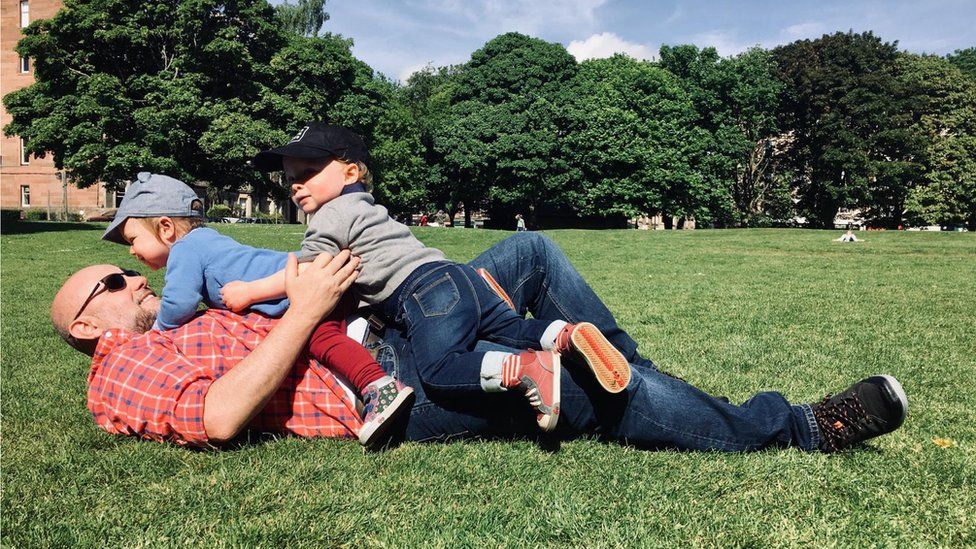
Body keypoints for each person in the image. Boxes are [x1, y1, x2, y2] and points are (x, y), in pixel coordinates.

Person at [52, 232, 909, 453]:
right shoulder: (121, 369)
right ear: (86, 323)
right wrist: (308, 311)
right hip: (380, 391)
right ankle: (798, 427)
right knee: (578, 388)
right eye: (114, 282)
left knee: (529, 257)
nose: (136, 282)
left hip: (383, 330)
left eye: (128, 274)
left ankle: (635, 371)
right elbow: (222, 415)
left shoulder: (181, 314)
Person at [224, 123, 631, 432]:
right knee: (509, 326)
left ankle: (526, 369)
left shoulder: (331, 215)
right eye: (288, 177)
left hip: (424, 294)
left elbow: (312, 275)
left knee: (440, 369)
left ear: (350, 173)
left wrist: (248, 291)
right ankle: (564, 335)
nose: (295, 185)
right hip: (463, 279)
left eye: (308, 172)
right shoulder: (368, 210)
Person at [98, 172, 412, 448]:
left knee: (321, 338)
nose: (132, 251)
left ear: (166, 228)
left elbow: (178, 304)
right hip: (307, 280)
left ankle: (379, 386)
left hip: (307, 282)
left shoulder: (185, 249)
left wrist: (157, 333)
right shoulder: (205, 240)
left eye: (133, 239)